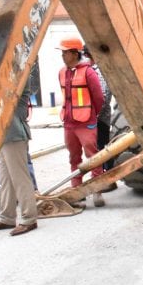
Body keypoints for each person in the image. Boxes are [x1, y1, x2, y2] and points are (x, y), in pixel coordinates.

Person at [0, 86, 39, 236]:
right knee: (5, 179)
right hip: (1, 135)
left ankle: (29, 218)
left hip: (14, 133)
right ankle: (7, 217)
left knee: (19, 178)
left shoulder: (18, 75)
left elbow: (17, 96)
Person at [57, 36, 106, 208]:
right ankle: (77, 191)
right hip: (69, 123)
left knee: (93, 157)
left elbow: (99, 98)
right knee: (74, 157)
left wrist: (92, 115)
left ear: (74, 53)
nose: (62, 55)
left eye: (65, 52)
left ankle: (97, 190)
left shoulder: (88, 72)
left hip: (86, 122)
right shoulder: (62, 73)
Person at [83, 45, 116, 191]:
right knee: (97, 149)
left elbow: (103, 97)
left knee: (102, 148)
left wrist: (93, 114)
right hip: (90, 117)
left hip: (99, 118)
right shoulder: (87, 70)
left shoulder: (100, 71)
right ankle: (105, 177)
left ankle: (108, 178)